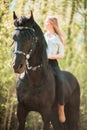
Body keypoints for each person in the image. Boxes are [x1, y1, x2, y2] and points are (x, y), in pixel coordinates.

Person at [44, 16, 66, 123]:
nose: (45, 23)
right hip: (42, 63)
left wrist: (49, 56)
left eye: (47, 22)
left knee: (61, 80)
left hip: (53, 64)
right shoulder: (44, 36)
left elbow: (61, 55)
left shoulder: (59, 38)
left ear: (52, 24)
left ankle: (61, 107)